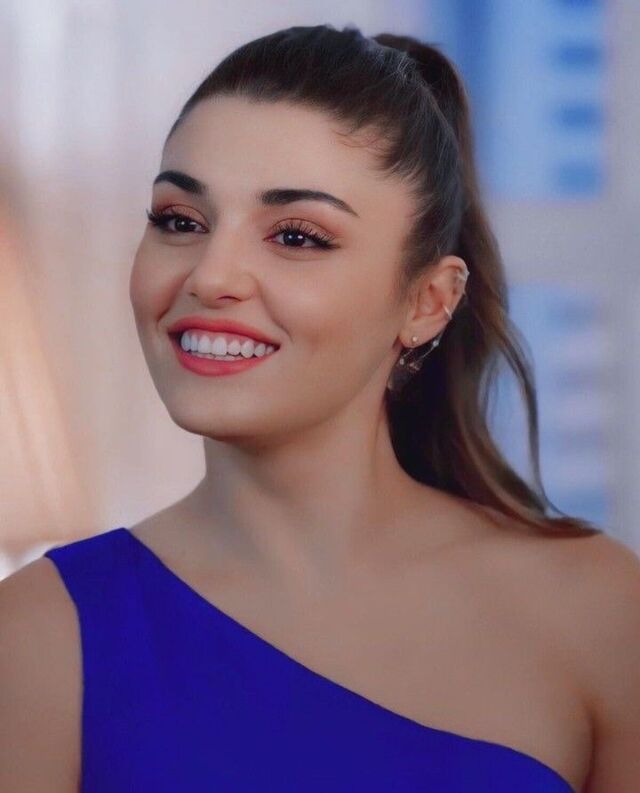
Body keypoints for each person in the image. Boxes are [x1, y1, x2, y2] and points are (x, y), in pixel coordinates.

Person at [1, 23, 639, 793]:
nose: (211, 276)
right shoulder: (37, 638)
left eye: (297, 236)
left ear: (428, 301)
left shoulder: (600, 611)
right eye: (180, 221)